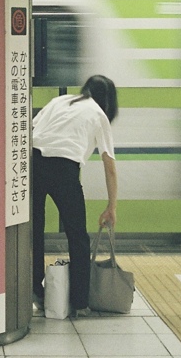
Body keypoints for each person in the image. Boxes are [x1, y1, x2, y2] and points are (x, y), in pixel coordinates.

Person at [31, 74, 119, 317]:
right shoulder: (99, 115)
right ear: (108, 100)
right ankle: (80, 302)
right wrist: (112, 207)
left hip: (33, 163)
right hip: (64, 169)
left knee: (34, 230)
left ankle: (34, 290)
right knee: (77, 235)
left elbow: (32, 128)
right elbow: (109, 165)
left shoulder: (60, 101)